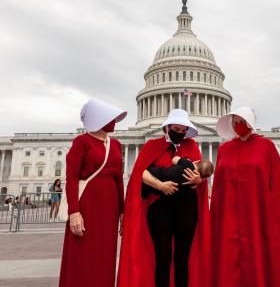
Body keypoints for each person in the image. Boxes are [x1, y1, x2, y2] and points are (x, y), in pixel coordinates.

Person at [117, 109, 210, 287]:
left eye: (184, 130)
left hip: (186, 209)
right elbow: (138, 174)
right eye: (177, 129)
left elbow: (200, 177)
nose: (180, 133)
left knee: (183, 258)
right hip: (160, 208)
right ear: (167, 127)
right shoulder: (152, 145)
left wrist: (199, 180)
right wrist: (160, 186)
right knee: (163, 256)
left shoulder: (191, 146)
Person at [209, 107, 280, 287]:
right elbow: (218, 186)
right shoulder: (225, 149)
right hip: (229, 216)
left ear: (250, 122)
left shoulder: (267, 147)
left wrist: (274, 216)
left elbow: (277, 185)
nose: (238, 125)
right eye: (235, 122)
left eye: (242, 121)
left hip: (258, 213)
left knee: (258, 256)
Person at [58, 98, 127, 287]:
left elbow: (119, 178)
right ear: (99, 118)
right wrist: (74, 211)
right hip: (87, 202)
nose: (114, 122)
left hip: (109, 205)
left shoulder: (116, 145)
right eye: (111, 118)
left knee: (105, 253)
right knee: (83, 252)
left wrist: (122, 210)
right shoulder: (81, 142)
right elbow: (72, 178)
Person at [142, 157, 214, 199]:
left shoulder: (187, 163)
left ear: (197, 162)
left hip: (160, 174)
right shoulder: (193, 182)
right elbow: (193, 187)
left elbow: (174, 159)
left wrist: (185, 159)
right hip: (165, 190)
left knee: (150, 173)